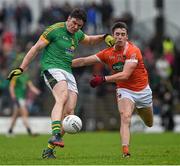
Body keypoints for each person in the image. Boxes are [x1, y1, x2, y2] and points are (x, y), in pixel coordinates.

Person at [7, 8, 115, 159]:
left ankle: (49, 149)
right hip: (51, 68)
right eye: (74, 23)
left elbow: (89, 40)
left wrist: (105, 36)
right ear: (68, 19)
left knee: (70, 112)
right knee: (62, 96)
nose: (75, 27)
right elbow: (35, 48)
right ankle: (56, 134)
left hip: (67, 72)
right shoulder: (54, 30)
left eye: (79, 25)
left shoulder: (77, 34)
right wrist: (21, 68)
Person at [72, 22, 153, 158]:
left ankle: (139, 108)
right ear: (113, 36)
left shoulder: (133, 51)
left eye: (123, 34)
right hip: (124, 89)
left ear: (127, 37)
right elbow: (85, 61)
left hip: (142, 90)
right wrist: (63, 63)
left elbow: (125, 74)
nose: (120, 37)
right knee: (125, 116)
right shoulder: (107, 53)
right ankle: (125, 151)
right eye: (117, 34)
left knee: (149, 123)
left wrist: (103, 79)